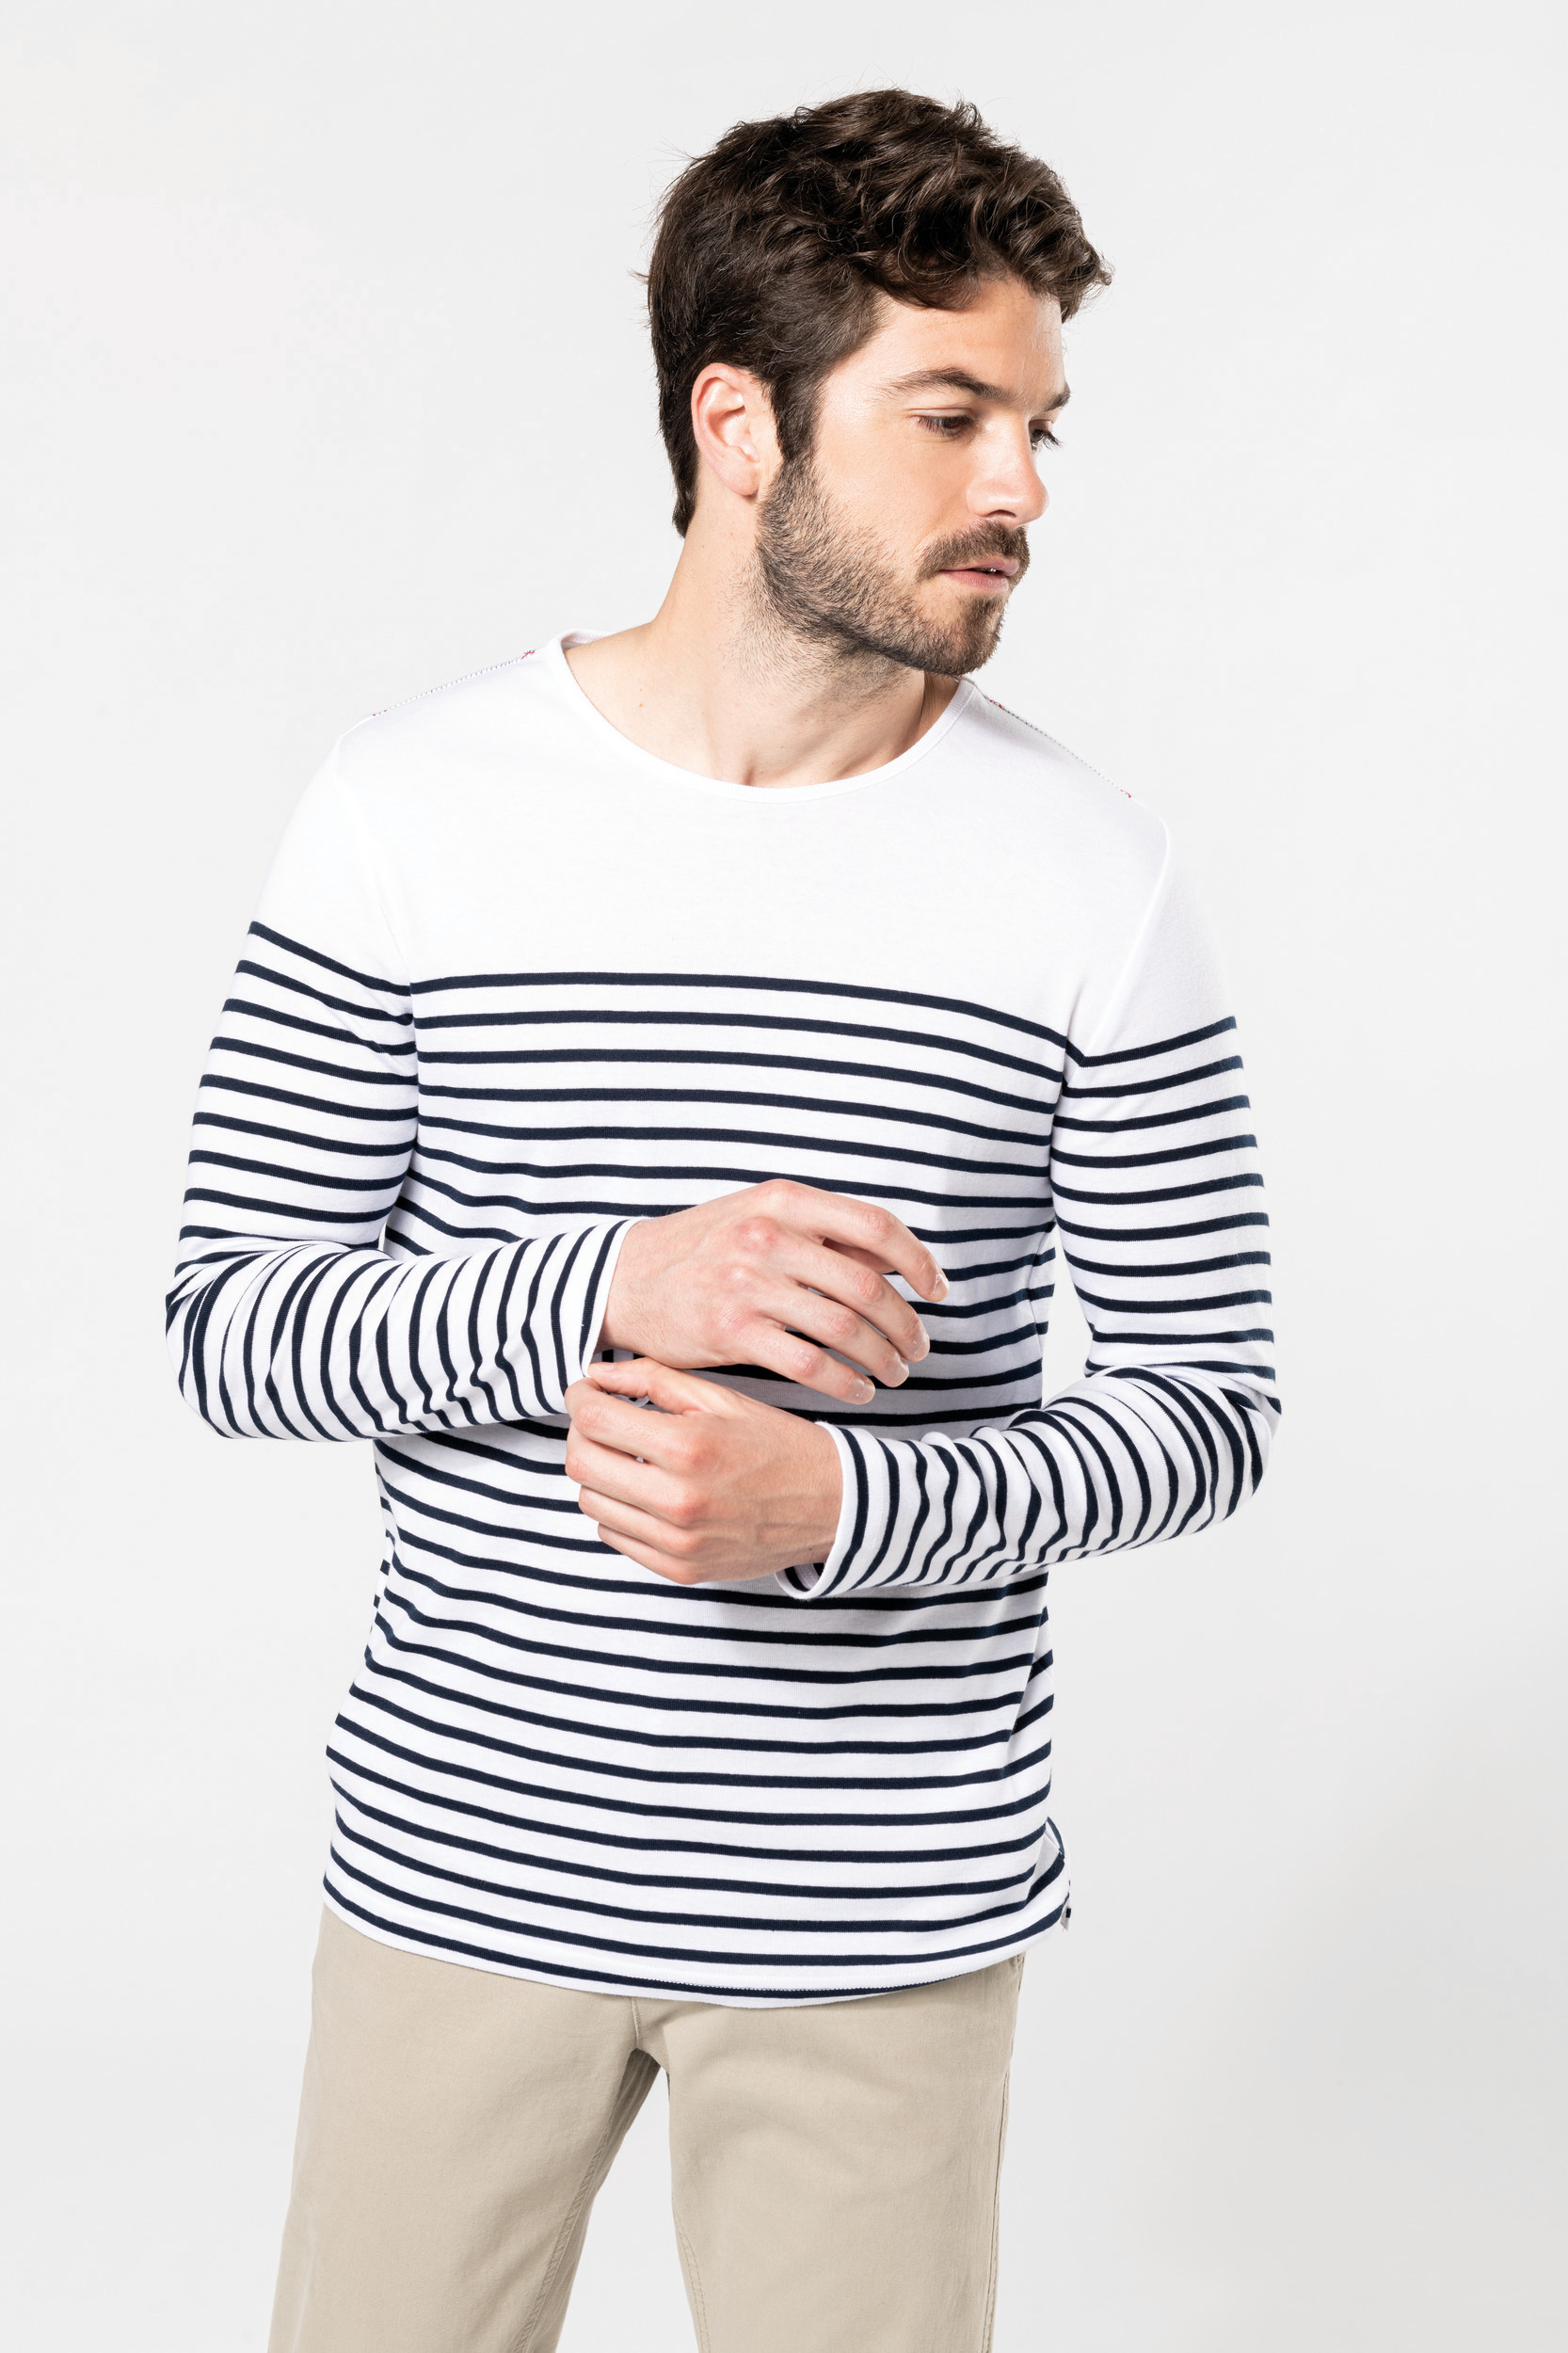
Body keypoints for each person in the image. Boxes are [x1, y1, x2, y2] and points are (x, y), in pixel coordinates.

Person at [168, 87, 1278, 2353]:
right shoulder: (407, 814)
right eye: (949, 415)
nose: (1019, 490)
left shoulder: (1091, 872)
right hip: (461, 1868)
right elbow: (231, 1324)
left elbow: (1206, 1410)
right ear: (737, 421)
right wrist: (614, 1276)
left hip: (877, 1916)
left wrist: (837, 1506)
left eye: (1039, 426)